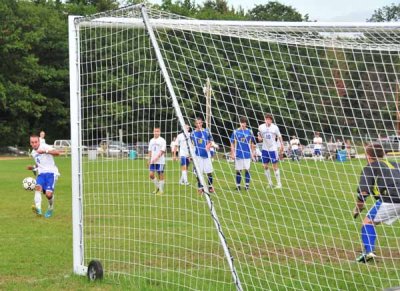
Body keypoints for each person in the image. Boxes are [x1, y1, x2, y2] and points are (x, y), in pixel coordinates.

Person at [352, 143, 400, 263]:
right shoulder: (396, 164)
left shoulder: (370, 167)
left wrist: (358, 208)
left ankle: (369, 252)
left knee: (367, 223)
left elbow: (363, 192)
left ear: (368, 156)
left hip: (391, 198)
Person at [27, 134, 61, 218]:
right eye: (32, 142)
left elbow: (57, 153)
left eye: (36, 142)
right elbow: (39, 163)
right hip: (41, 174)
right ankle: (38, 209)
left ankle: (50, 207)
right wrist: (33, 167)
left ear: (38, 141)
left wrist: (45, 151)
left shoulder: (45, 146)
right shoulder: (33, 153)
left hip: (51, 173)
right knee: (37, 188)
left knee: (48, 195)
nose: (34, 144)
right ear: (30, 143)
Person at [258, 113, 284, 189]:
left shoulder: (275, 128)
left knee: (275, 166)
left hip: (273, 149)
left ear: (271, 120)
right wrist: (259, 137)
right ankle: (270, 183)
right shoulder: (261, 127)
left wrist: (282, 145)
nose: (268, 121)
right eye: (267, 119)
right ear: (264, 120)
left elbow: (279, 136)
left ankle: (279, 184)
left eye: (269, 119)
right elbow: (259, 134)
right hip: (265, 149)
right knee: (265, 166)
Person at [230, 117, 256, 191]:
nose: (243, 124)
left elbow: (253, 143)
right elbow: (232, 143)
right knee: (238, 170)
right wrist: (232, 153)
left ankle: (247, 186)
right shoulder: (235, 132)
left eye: (244, 123)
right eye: (242, 123)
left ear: (246, 124)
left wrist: (253, 153)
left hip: (247, 154)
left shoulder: (249, 132)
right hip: (238, 154)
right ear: (240, 123)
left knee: (247, 170)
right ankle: (238, 186)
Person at [191, 117, 214, 194]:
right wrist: (191, 155)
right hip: (198, 155)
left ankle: (210, 187)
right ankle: (200, 187)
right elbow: (191, 145)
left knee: (209, 172)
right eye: (197, 123)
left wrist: (209, 145)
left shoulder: (207, 131)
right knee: (198, 172)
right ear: (195, 124)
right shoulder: (192, 134)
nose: (199, 124)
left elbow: (211, 141)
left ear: (202, 123)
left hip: (207, 155)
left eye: (200, 123)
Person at [148, 127, 167, 195]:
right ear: (153, 132)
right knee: (151, 175)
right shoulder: (151, 140)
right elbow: (150, 151)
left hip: (160, 161)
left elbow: (162, 151)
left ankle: (160, 191)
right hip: (153, 161)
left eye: (157, 131)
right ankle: (159, 188)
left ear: (159, 132)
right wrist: (149, 159)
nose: (156, 132)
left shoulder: (162, 140)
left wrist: (157, 157)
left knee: (160, 175)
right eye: (155, 131)